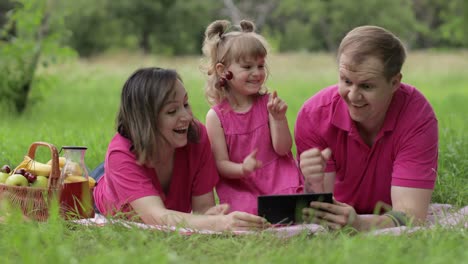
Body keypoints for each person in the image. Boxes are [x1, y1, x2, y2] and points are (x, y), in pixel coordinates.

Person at [295, 25, 438, 231]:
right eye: (346, 81)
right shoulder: (313, 115)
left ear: (395, 82)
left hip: (381, 214)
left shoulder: (417, 117)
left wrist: (360, 223)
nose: (353, 95)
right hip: (343, 212)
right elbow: (320, 212)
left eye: (367, 86)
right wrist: (311, 183)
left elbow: (412, 216)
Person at [92, 67, 267, 231]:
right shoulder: (121, 155)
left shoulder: (197, 137)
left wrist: (211, 216)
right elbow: (156, 217)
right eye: (171, 111)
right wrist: (220, 222)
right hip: (101, 189)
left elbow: (203, 209)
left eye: (185, 104)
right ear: (146, 121)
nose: (186, 116)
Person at [201, 20, 303, 214]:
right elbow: (220, 164)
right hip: (241, 185)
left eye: (260, 65)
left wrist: (279, 119)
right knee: (248, 212)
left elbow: (283, 149)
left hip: (277, 177)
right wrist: (243, 169)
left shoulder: (267, 104)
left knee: (291, 204)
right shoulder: (216, 117)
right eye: (247, 67)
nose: (257, 73)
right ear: (223, 71)